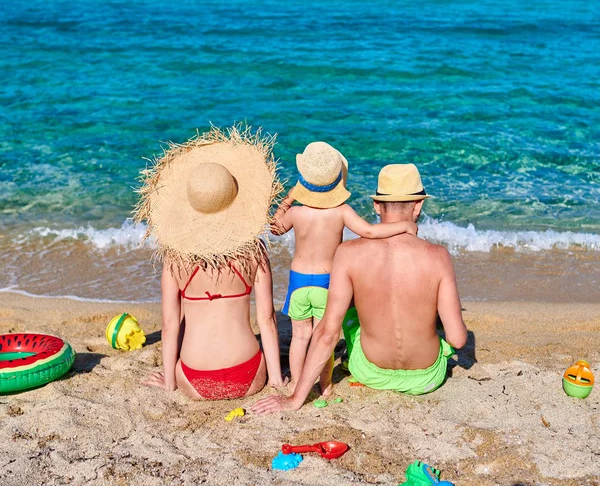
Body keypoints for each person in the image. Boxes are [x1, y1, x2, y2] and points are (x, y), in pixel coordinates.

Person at [252, 163, 468, 414]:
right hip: (426, 379)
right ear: (418, 205)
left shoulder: (348, 253)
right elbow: (458, 339)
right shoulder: (438, 256)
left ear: (377, 205)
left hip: (369, 372)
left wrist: (294, 399)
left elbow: (327, 333)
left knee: (347, 310)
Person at [135, 125, 285, 400]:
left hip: (194, 381)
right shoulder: (253, 250)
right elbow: (267, 318)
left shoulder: (175, 257)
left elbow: (169, 326)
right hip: (249, 375)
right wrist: (275, 379)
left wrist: (170, 381)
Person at [271, 143, 417, 395]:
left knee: (300, 337)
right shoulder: (341, 211)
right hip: (326, 282)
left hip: (298, 283)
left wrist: (290, 197)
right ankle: (325, 386)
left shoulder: (296, 213)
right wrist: (403, 226)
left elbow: (274, 227)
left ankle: (297, 383)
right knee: (323, 336)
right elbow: (370, 232)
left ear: (303, 181)